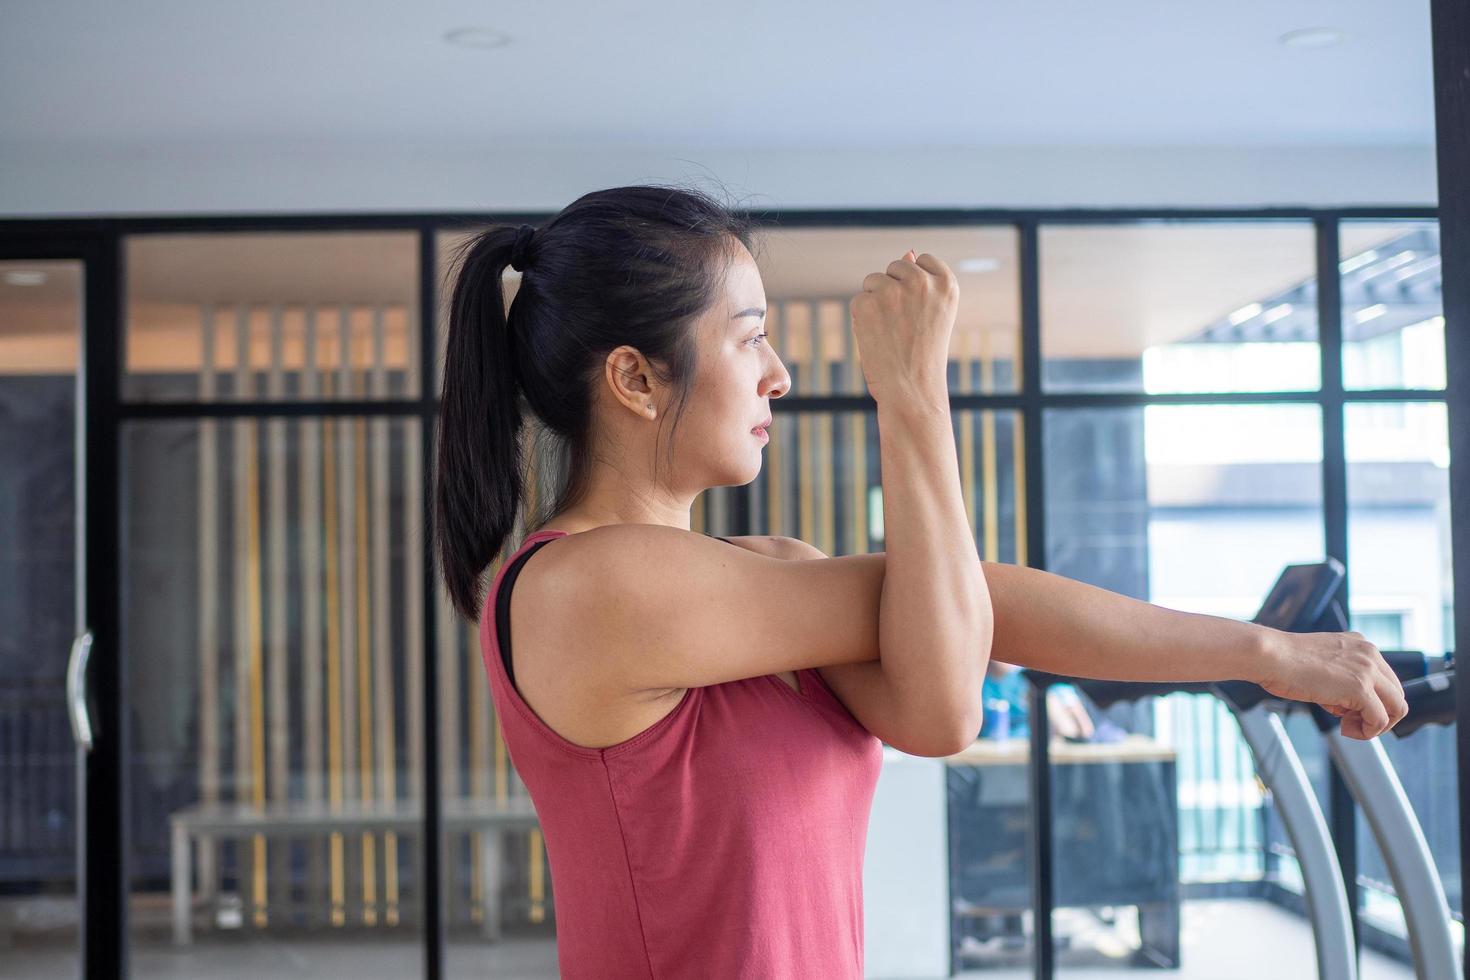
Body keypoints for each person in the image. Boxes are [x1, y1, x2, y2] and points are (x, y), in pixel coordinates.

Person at [434, 183, 1408, 979]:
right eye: (747, 336)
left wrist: (1266, 650)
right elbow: (948, 707)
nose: (776, 372)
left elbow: (970, 604)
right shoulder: (587, 587)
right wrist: (911, 399)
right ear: (637, 380)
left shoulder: (767, 574)